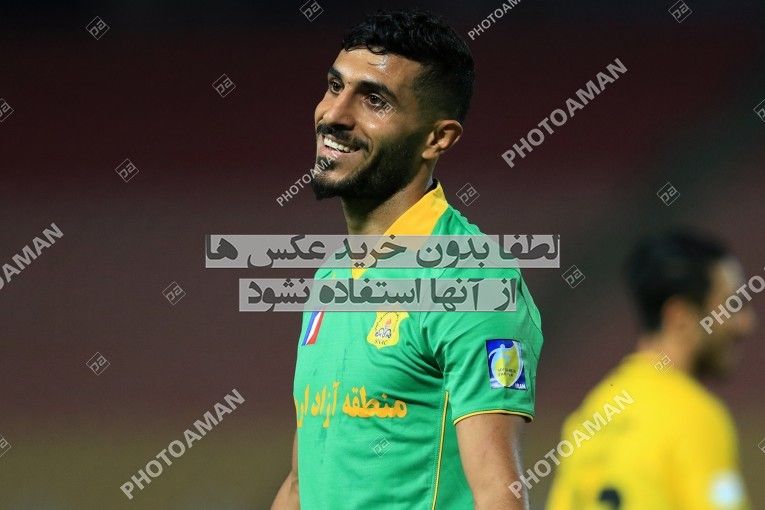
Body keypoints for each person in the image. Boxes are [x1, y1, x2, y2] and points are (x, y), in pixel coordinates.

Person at [271, 9, 544, 510]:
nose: (334, 115)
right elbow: (300, 483)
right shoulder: (334, 276)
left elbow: (498, 494)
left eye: (374, 99)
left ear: (437, 139)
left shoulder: (470, 280)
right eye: (335, 86)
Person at [546, 230, 755, 510]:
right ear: (680, 317)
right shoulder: (695, 417)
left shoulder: (589, 417)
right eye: (731, 305)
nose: (746, 324)